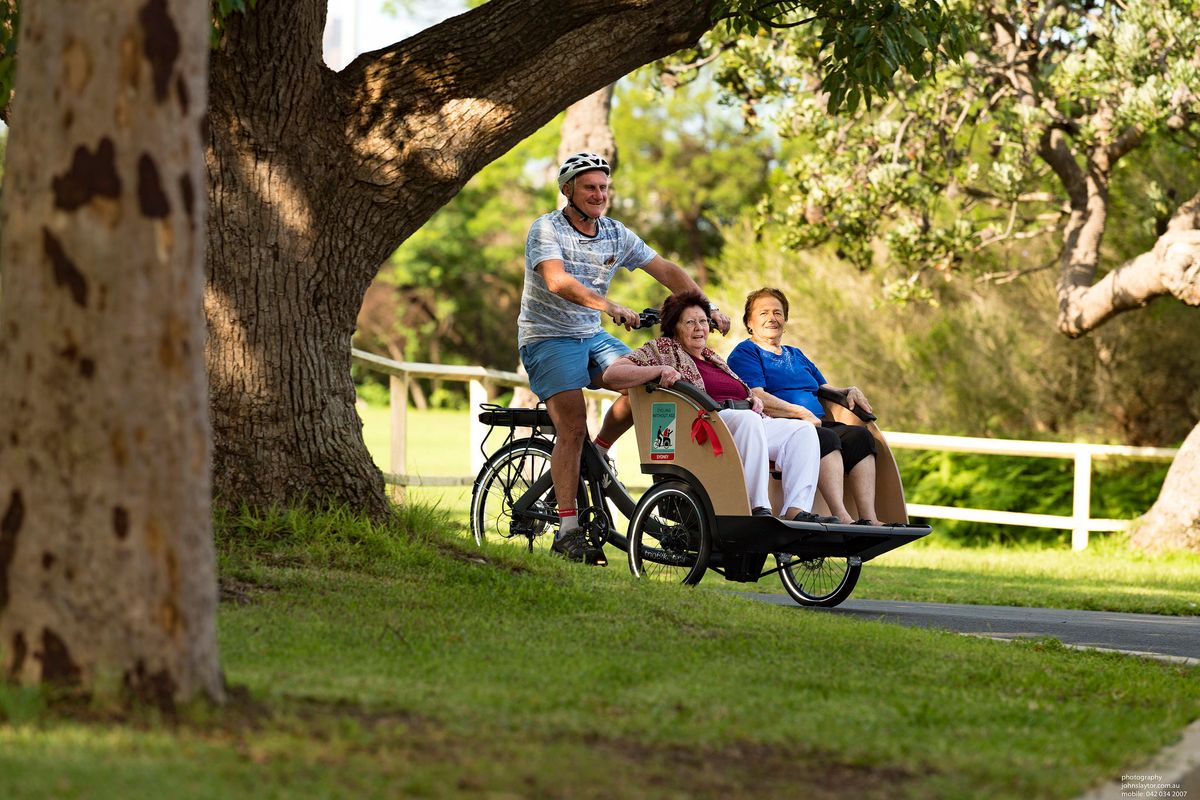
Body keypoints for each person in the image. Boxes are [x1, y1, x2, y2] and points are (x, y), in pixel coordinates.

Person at [519, 152, 733, 565]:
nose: (599, 194)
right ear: (568, 191)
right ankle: (567, 530)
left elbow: (667, 270)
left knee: (644, 382)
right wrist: (608, 305)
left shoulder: (615, 233)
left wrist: (706, 307)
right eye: (589, 188)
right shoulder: (545, 228)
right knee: (573, 425)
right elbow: (556, 280)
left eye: (603, 188)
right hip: (548, 337)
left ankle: (599, 450)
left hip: (590, 335)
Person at [601, 291, 828, 522]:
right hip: (708, 423)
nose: (699, 328)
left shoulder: (712, 357)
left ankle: (796, 510)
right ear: (675, 327)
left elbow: (739, 391)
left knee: (803, 431)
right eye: (690, 322)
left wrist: (752, 398)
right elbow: (612, 374)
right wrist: (658, 370)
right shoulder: (663, 349)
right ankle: (756, 508)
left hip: (746, 422)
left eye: (703, 321)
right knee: (748, 421)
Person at [726, 288, 882, 525]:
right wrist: (799, 413)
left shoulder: (796, 354)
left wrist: (849, 390)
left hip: (815, 420)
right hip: (784, 427)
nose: (772, 318)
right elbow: (757, 396)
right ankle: (842, 516)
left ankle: (870, 519)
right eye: (763, 313)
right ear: (749, 322)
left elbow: (824, 388)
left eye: (778, 313)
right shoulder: (746, 352)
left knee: (860, 437)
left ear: (785, 320)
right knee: (826, 439)